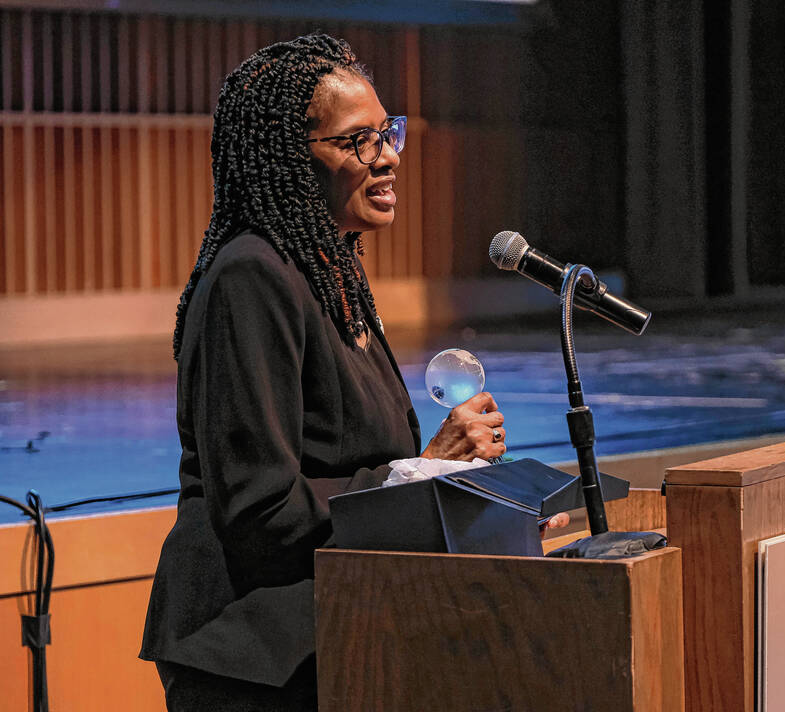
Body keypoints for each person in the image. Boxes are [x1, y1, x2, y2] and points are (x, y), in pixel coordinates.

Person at [140, 34, 560, 711]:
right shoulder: (251, 277)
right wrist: (425, 472)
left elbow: (366, 475)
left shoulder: (331, 274)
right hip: (256, 654)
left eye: (387, 133)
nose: (388, 155)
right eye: (358, 141)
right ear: (290, 157)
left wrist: (476, 512)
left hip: (341, 629)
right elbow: (261, 508)